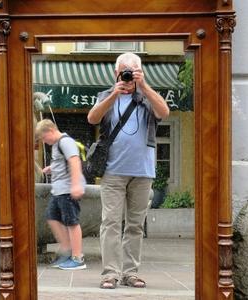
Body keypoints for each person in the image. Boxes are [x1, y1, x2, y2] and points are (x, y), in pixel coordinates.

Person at [87, 52, 170, 289]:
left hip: (142, 172)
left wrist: (143, 85)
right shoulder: (106, 95)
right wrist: (115, 93)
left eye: (132, 72)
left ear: (139, 73)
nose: (128, 76)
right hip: (113, 171)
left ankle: (131, 273)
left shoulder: (147, 96)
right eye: (124, 72)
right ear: (116, 73)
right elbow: (92, 118)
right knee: (110, 223)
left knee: (135, 225)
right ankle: (110, 274)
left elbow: (164, 113)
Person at [35, 119, 87, 270]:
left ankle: (77, 258)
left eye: (44, 138)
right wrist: (52, 167)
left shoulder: (65, 142)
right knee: (52, 217)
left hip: (67, 188)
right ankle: (67, 250)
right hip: (59, 190)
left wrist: (76, 185)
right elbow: (64, 161)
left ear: (50, 130)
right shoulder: (58, 144)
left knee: (72, 222)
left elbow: (74, 161)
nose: (45, 142)